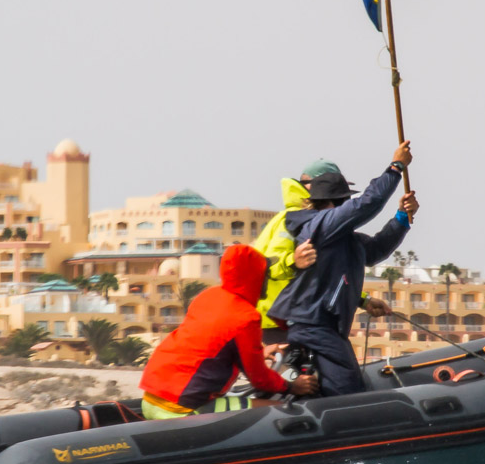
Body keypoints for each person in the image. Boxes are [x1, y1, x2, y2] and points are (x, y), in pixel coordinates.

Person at [267, 142, 419, 396]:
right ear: (329, 204)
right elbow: (366, 205)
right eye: (341, 203)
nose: (344, 209)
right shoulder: (320, 225)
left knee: (336, 383)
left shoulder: (342, 237)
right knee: (347, 386)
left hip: (321, 325)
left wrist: (401, 217)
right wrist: (396, 167)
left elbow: (375, 251)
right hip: (312, 324)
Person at [139, 243, 318, 418]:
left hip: (151, 398)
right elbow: (259, 379)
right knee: (282, 412)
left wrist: (260, 352)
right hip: (179, 409)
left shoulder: (208, 296)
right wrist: (292, 386)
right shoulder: (246, 316)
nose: (267, 278)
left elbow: (209, 345)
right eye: (265, 273)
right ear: (255, 276)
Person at [252, 159, 335, 342]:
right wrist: (293, 261)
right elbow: (268, 263)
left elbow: (325, 274)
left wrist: (363, 300)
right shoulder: (294, 220)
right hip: (275, 322)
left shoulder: (308, 218)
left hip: (290, 320)